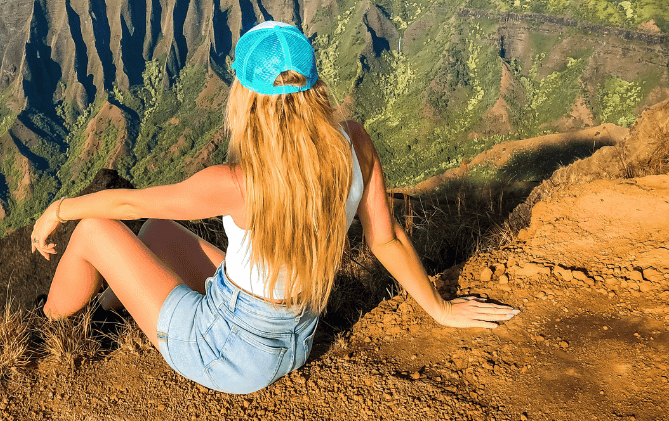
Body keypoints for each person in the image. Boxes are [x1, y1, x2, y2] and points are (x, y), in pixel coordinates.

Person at [30, 21, 518, 394]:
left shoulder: (238, 183)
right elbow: (385, 239)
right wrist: (440, 308)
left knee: (94, 229)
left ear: (244, 92)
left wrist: (58, 209)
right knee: (156, 231)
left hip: (223, 350)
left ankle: (43, 330)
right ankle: (108, 312)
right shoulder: (354, 141)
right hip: (294, 340)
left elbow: (124, 202)